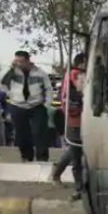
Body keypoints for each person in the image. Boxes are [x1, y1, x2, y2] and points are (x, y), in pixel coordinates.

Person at [0, 51, 53, 162]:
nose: (19, 64)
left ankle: (42, 157)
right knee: (22, 133)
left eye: (22, 61)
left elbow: (48, 89)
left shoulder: (40, 73)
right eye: (17, 61)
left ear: (28, 61)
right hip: (18, 105)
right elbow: (3, 83)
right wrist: (10, 95)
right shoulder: (12, 72)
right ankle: (26, 156)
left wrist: (47, 104)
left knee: (39, 132)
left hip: (37, 106)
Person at [50, 53, 87, 200]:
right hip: (76, 118)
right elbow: (82, 94)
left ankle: (57, 173)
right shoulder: (77, 74)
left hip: (74, 118)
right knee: (76, 151)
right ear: (83, 63)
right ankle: (78, 187)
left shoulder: (71, 74)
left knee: (75, 149)